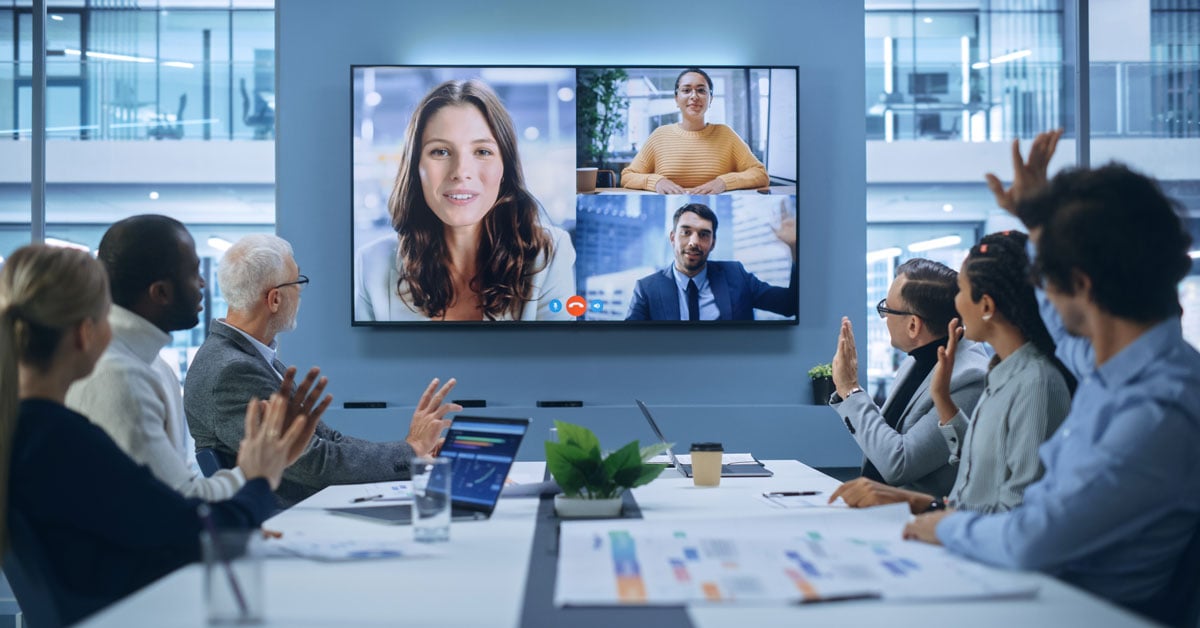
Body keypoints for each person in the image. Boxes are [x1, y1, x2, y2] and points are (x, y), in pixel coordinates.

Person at [902, 131, 1200, 623]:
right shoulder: (1119, 364)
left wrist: (942, 526)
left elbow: (1030, 539)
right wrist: (1039, 223)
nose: (1036, 288)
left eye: (1044, 276)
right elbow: (1061, 323)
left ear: (1080, 284)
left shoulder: (1156, 412)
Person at [0, 244, 315, 625]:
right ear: (85, 334)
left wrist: (259, 472)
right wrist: (261, 477)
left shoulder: (27, 433)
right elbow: (201, 535)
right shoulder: (67, 439)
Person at [65, 215, 331, 502]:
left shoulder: (150, 364)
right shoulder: (118, 377)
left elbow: (180, 493)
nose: (202, 282)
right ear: (161, 293)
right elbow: (176, 504)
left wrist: (265, 463)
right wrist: (260, 468)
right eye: (192, 272)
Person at [186, 234, 462, 507]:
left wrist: (410, 453)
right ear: (275, 300)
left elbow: (329, 440)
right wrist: (410, 449)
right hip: (289, 519)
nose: (301, 292)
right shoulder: (233, 371)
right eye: (298, 282)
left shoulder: (250, 358)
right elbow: (315, 462)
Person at [831, 231, 1074, 514]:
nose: (953, 305)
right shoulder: (1001, 372)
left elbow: (1016, 511)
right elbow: (978, 473)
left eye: (961, 291)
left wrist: (933, 515)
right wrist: (944, 403)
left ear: (986, 306)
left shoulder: (1034, 383)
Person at [355, 78, 576, 321]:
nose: (461, 171)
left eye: (482, 152)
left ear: (505, 168)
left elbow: (553, 357)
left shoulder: (549, 255)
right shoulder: (370, 265)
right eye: (440, 151)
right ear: (416, 167)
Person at [829, 257, 990, 499]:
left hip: (920, 522)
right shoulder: (914, 361)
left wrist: (851, 390)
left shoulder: (969, 378)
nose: (884, 318)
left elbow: (899, 463)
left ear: (914, 325)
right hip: (878, 510)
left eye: (886, 309)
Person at [625, 202, 796, 321]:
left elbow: (790, 305)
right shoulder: (647, 289)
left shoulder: (736, 275)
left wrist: (795, 248)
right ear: (672, 238)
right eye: (686, 232)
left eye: (703, 234)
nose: (694, 242)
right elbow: (628, 343)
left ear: (713, 243)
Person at [620, 68, 768, 194]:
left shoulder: (726, 134)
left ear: (710, 99)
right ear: (676, 99)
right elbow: (627, 176)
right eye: (686, 90)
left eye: (701, 90)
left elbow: (760, 174)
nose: (694, 96)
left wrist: (723, 182)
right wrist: (656, 182)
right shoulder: (660, 135)